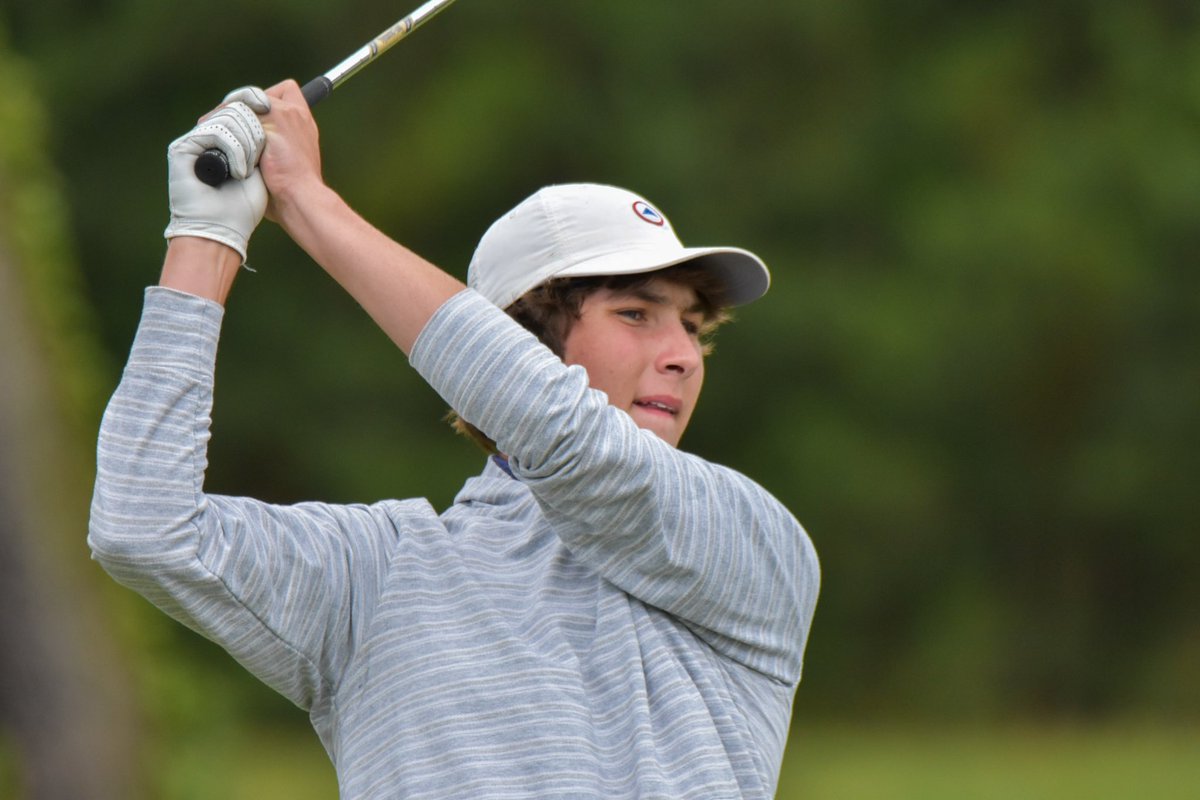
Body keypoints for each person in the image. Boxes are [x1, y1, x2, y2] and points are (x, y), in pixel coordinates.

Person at [89, 81, 820, 799]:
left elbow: (567, 437)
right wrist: (204, 235)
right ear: (522, 337)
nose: (683, 355)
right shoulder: (376, 575)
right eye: (637, 315)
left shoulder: (749, 541)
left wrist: (307, 201)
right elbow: (143, 528)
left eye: (692, 327)